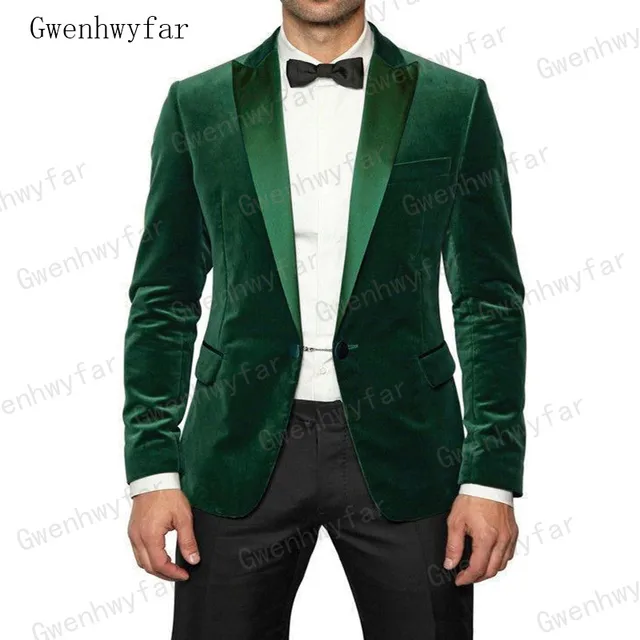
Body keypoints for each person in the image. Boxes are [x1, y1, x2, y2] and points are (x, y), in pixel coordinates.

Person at [123, 1, 526, 637]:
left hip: (410, 449)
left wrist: (490, 477)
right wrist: (152, 469)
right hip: (235, 447)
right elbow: (164, 297)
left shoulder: (454, 103)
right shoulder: (198, 105)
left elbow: (488, 299)